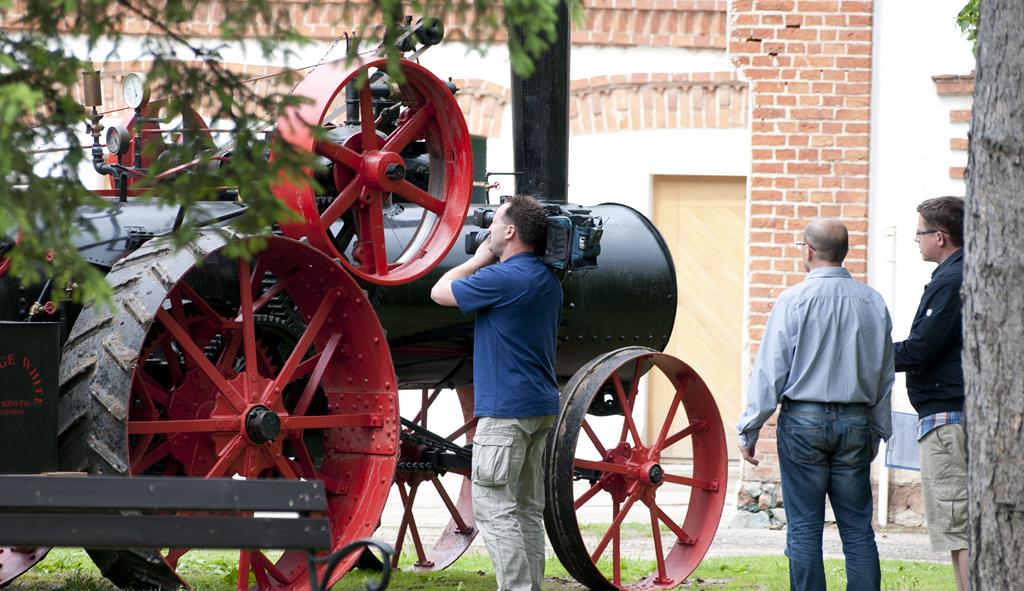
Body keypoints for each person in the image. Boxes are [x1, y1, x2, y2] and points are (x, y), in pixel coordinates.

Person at [736, 218, 894, 591]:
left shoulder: (793, 301)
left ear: (807, 251)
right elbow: (883, 373)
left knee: (805, 527)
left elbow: (770, 371)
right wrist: (878, 429)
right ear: (845, 252)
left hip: (803, 422)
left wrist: (750, 427)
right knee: (857, 529)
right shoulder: (872, 302)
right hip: (855, 421)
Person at [430, 195, 562, 591]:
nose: (488, 229)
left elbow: (439, 292)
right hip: (539, 407)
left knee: (493, 508)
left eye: (495, 223)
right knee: (526, 510)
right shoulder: (547, 279)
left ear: (510, 231)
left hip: (505, 412)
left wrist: (480, 258)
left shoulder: (503, 279)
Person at [893, 196, 967, 591]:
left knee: (958, 524)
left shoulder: (952, 280)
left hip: (946, 420)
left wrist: (868, 355)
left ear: (940, 237)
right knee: (955, 525)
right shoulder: (955, 275)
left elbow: (921, 348)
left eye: (920, 233)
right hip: (947, 416)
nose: (917, 240)